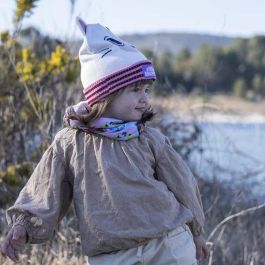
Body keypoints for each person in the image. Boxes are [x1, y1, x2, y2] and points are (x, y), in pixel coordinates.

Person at [0, 17, 208, 264]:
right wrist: (23, 226)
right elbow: (44, 188)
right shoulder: (70, 143)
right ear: (105, 94)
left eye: (146, 90)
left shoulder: (149, 138)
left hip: (168, 243)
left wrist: (197, 233)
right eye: (134, 90)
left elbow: (183, 184)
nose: (144, 99)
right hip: (110, 255)